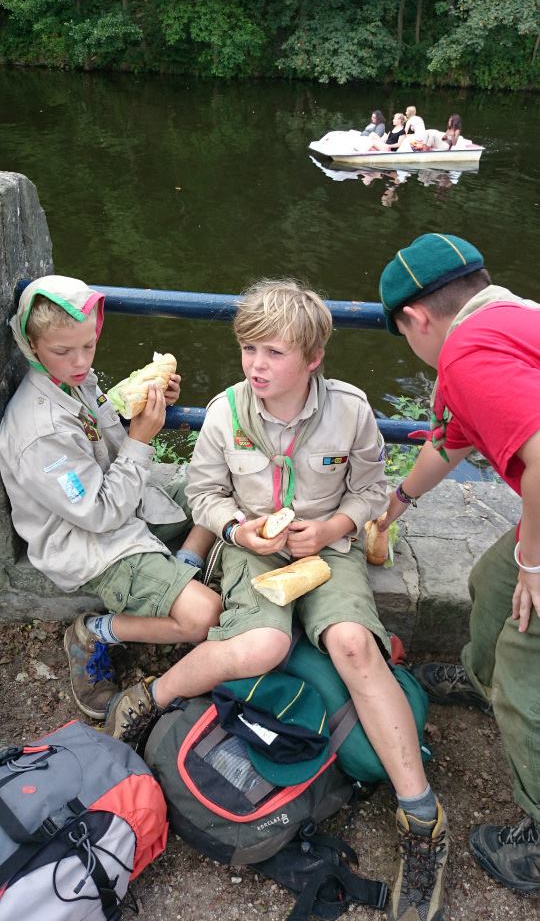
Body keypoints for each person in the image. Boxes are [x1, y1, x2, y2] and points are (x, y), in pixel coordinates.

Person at [105, 279, 449, 921]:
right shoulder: (226, 412)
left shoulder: (349, 410)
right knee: (262, 645)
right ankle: (146, 702)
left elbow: (373, 491)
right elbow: (203, 493)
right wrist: (238, 530)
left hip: (329, 550)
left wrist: (332, 529)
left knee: (352, 644)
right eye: (248, 351)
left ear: (312, 358)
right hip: (247, 548)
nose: (257, 366)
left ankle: (423, 819)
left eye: (273, 353)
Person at [378, 233, 540, 895]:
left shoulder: (470, 354)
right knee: (490, 582)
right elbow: (451, 440)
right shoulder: (509, 320)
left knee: (527, 670)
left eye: (403, 336)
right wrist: (394, 505)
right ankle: (481, 678)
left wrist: (534, 561)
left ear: (416, 319)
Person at [0, 275, 222, 721]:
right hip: (90, 541)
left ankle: (182, 568)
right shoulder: (39, 433)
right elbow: (97, 514)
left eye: (89, 345)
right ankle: (93, 633)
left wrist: (134, 406)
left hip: (127, 503)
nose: (80, 361)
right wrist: (141, 440)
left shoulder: (70, 379)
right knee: (205, 615)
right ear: (31, 344)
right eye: (63, 351)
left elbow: (98, 428)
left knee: (219, 486)